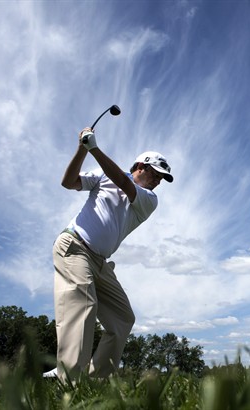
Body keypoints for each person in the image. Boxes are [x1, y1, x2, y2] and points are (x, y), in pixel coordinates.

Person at [51, 126, 173, 380]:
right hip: (74, 246)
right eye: (156, 174)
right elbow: (68, 182)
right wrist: (81, 149)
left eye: (162, 178)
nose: (159, 181)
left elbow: (122, 181)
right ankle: (68, 381)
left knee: (122, 318)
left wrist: (94, 148)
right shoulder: (102, 175)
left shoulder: (149, 198)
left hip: (100, 262)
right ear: (141, 165)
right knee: (84, 304)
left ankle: (97, 381)